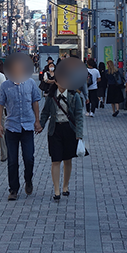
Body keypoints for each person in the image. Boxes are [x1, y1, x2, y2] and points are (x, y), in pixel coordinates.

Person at [0, 53, 43, 201]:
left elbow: (35, 101)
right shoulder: (5, 85)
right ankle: (13, 189)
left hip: (28, 126)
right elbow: (0, 105)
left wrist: (37, 121)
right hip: (11, 127)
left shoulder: (30, 83)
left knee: (29, 158)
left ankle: (28, 179)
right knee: (12, 160)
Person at [39, 61, 84, 200]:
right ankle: (56, 190)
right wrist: (40, 125)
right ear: (56, 82)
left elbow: (79, 116)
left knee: (67, 159)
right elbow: (45, 113)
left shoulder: (74, 96)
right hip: (55, 129)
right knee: (55, 160)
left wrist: (79, 134)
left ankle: (65, 185)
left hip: (69, 129)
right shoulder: (51, 96)